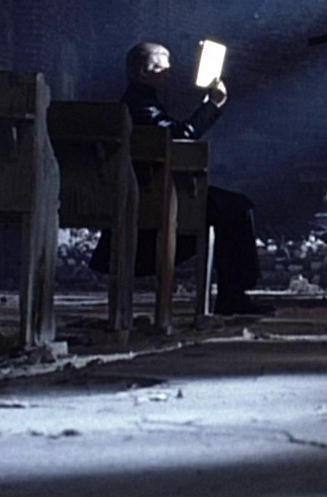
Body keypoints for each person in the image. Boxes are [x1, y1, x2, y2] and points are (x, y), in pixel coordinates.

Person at [88, 42, 274, 316]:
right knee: (236, 207)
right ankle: (233, 295)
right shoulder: (141, 106)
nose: (170, 72)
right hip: (153, 199)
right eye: (162, 67)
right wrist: (212, 106)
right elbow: (180, 135)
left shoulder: (139, 102)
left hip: (149, 193)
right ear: (143, 72)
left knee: (231, 205)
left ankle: (234, 293)